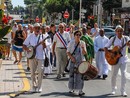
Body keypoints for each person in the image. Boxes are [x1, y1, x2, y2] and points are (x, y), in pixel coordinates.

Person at [104, 25, 130, 97]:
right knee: (113, 75)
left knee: (124, 75)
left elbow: (129, 46)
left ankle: (123, 91)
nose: (119, 32)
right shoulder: (113, 38)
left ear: (123, 31)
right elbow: (106, 47)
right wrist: (108, 54)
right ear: (115, 32)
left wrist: (128, 45)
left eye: (121, 31)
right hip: (115, 60)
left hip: (123, 59)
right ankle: (113, 89)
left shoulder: (126, 38)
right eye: (118, 31)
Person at [23, 23, 46, 93]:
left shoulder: (43, 36)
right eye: (35, 28)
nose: (37, 29)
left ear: (40, 29)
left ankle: (39, 86)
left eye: (38, 28)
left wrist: (43, 43)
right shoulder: (30, 36)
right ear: (33, 29)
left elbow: (45, 47)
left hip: (40, 56)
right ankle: (34, 86)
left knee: (40, 71)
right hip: (32, 57)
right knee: (32, 72)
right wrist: (28, 49)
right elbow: (24, 45)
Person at [67, 30, 87, 96]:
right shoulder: (71, 42)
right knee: (72, 75)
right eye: (77, 35)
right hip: (73, 61)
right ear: (74, 36)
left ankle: (80, 90)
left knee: (80, 76)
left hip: (80, 61)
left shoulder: (83, 43)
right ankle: (71, 88)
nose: (78, 36)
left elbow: (85, 53)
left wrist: (83, 48)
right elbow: (68, 52)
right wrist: (72, 57)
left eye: (79, 35)